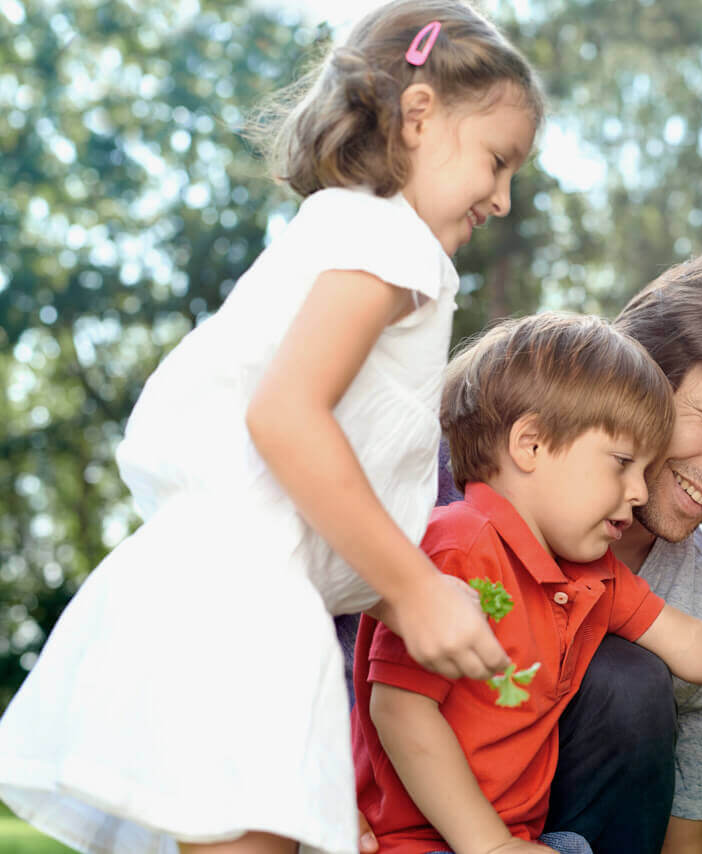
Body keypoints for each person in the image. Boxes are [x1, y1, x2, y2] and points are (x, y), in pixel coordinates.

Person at [0, 3, 542, 852]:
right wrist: (412, 587)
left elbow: (303, 465)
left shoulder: (348, 234)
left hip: (219, 588)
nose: (503, 199)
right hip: (240, 606)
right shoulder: (390, 243)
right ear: (420, 114)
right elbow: (285, 417)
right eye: (497, 161)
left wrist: (400, 597)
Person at [350, 312, 702, 854]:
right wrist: (489, 843)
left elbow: (697, 642)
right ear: (531, 444)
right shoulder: (454, 546)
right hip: (415, 842)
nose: (638, 491)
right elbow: (398, 711)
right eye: (621, 463)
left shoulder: (588, 570)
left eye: (644, 468)